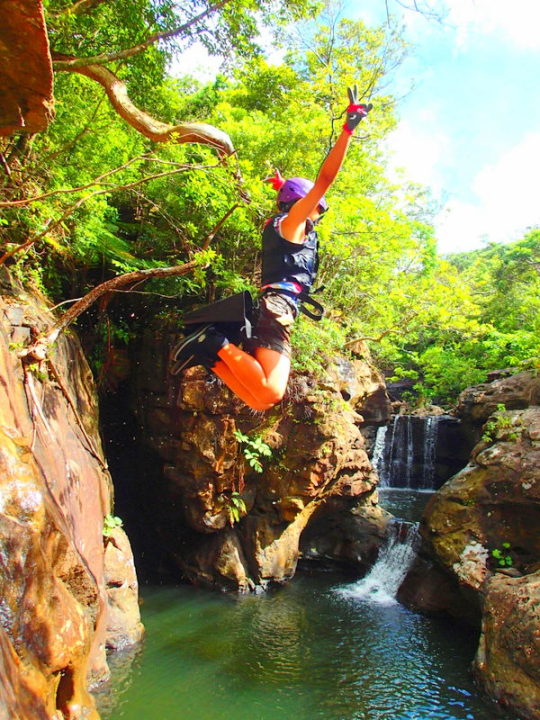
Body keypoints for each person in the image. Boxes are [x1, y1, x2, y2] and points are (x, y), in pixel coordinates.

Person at [171, 86, 372, 411]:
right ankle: (212, 341)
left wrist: (282, 186)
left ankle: (209, 353)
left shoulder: (284, 225)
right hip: (276, 307)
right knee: (272, 393)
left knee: (262, 399)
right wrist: (347, 131)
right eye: (316, 208)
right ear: (302, 204)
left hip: (277, 308)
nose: (318, 214)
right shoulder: (292, 224)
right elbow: (325, 180)